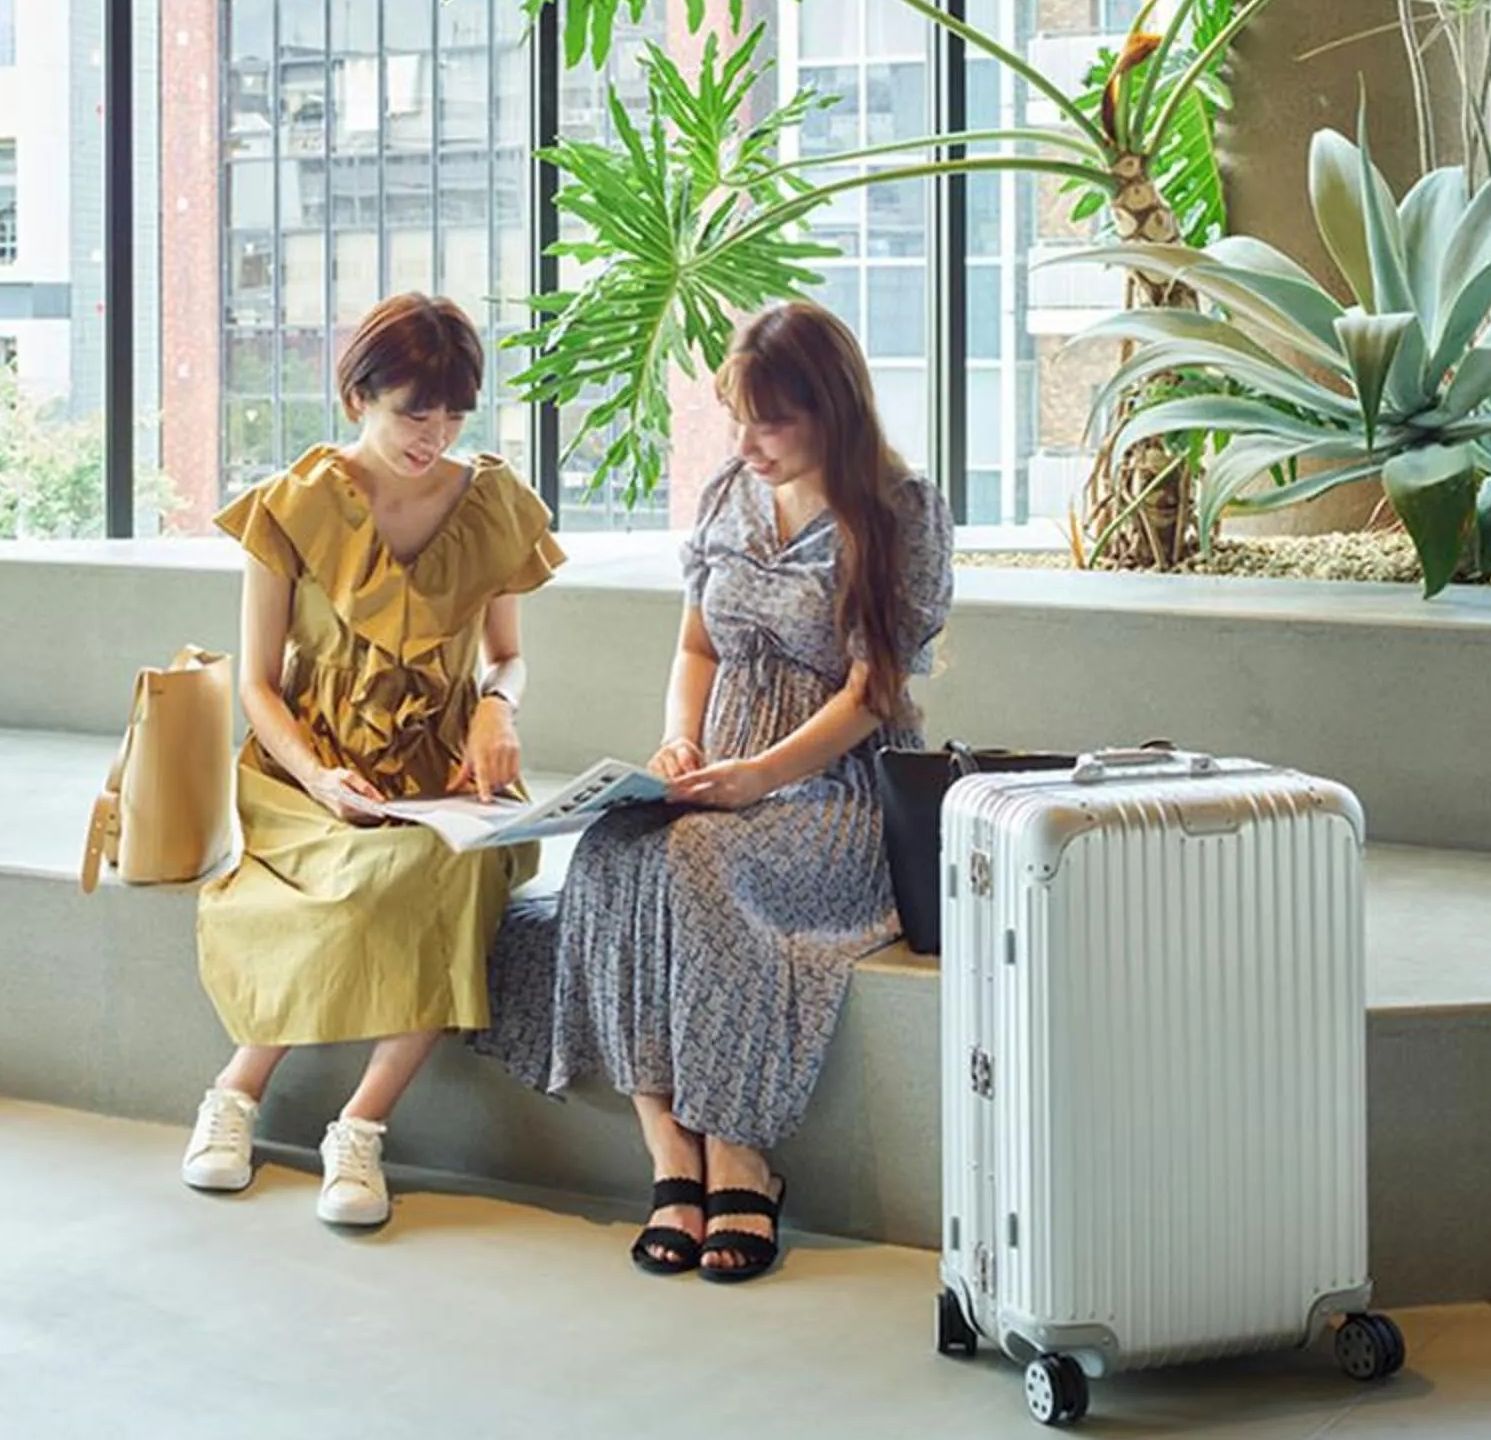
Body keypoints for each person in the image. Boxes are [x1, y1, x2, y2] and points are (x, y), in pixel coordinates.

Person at [478, 300, 953, 1282]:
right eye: (738, 416)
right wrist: (681, 743)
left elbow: (876, 693)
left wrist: (759, 779)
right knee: (609, 854)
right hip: (723, 770)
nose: (748, 442)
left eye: (770, 422)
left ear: (832, 410)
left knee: (694, 861)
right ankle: (671, 1156)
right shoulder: (729, 492)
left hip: (835, 794)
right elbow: (696, 645)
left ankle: (739, 1150)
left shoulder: (900, 511)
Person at [183, 292, 564, 1228]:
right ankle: (235, 1094)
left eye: (452, 417)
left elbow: (507, 654)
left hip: (446, 769)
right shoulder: (292, 507)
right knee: (360, 878)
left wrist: (493, 708)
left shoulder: (495, 504)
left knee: (450, 869)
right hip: (306, 769)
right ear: (358, 397)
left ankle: (359, 1126)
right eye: (411, 413)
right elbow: (259, 687)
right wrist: (318, 778)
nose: (433, 437)